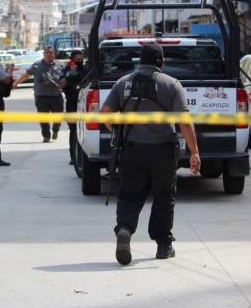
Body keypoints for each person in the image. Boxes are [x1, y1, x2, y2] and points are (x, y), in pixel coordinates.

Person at [101, 43, 201, 264]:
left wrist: (117, 131)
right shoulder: (171, 84)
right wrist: (195, 152)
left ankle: (125, 229)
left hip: (131, 150)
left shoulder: (123, 82)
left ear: (140, 61)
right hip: (162, 150)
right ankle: (163, 245)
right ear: (161, 62)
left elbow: (105, 114)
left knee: (129, 194)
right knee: (164, 196)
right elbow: (184, 122)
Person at [14, 47, 64, 143]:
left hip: (56, 96)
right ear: (44, 54)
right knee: (43, 118)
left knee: (58, 116)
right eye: (47, 53)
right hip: (41, 96)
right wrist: (17, 82)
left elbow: (65, 78)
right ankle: (46, 136)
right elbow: (26, 75)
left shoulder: (60, 65)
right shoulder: (37, 65)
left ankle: (56, 129)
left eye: (51, 53)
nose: (49, 55)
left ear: (54, 54)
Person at [59, 50, 89, 166]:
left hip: (84, 104)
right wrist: (70, 74)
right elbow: (60, 85)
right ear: (72, 59)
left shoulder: (86, 70)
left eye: (81, 58)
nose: (80, 61)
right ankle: (74, 157)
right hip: (72, 104)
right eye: (77, 59)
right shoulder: (66, 70)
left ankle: (84, 156)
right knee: (73, 131)